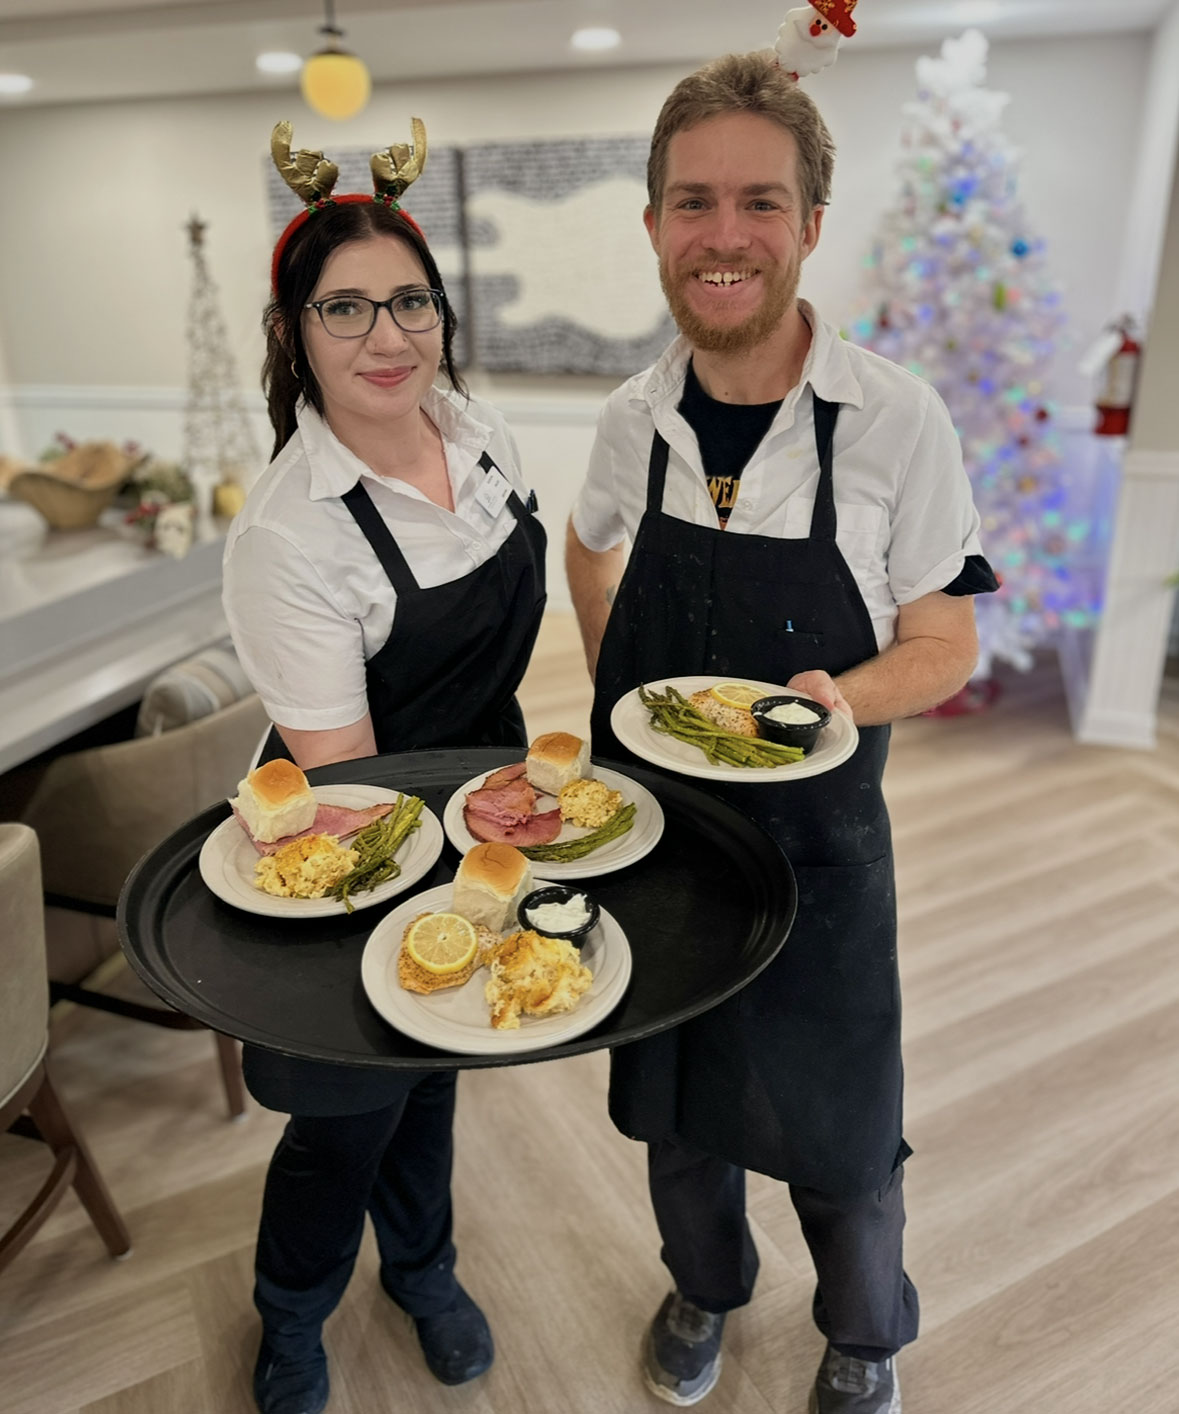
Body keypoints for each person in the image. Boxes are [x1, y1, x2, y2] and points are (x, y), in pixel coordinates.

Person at [566, 53, 999, 1414]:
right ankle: (704, 1284)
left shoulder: (896, 421)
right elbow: (588, 547)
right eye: (693, 202)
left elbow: (948, 643)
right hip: (658, 849)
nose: (726, 234)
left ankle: (864, 1330)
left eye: (760, 201)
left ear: (811, 222)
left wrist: (841, 701)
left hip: (821, 850)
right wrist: (619, 691)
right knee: (678, 1107)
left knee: (842, 1123)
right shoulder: (631, 418)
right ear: (653, 224)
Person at [222, 120, 546, 1414]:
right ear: (293, 332)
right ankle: (292, 1320)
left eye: (410, 299)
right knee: (351, 1109)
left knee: (438, 1069)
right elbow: (351, 783)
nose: (386, 334)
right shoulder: (291, 533)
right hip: (356, 833)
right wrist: (481, 818)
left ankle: (422, 1269)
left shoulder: (480, 433)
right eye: (344, 307)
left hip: (478, 805)